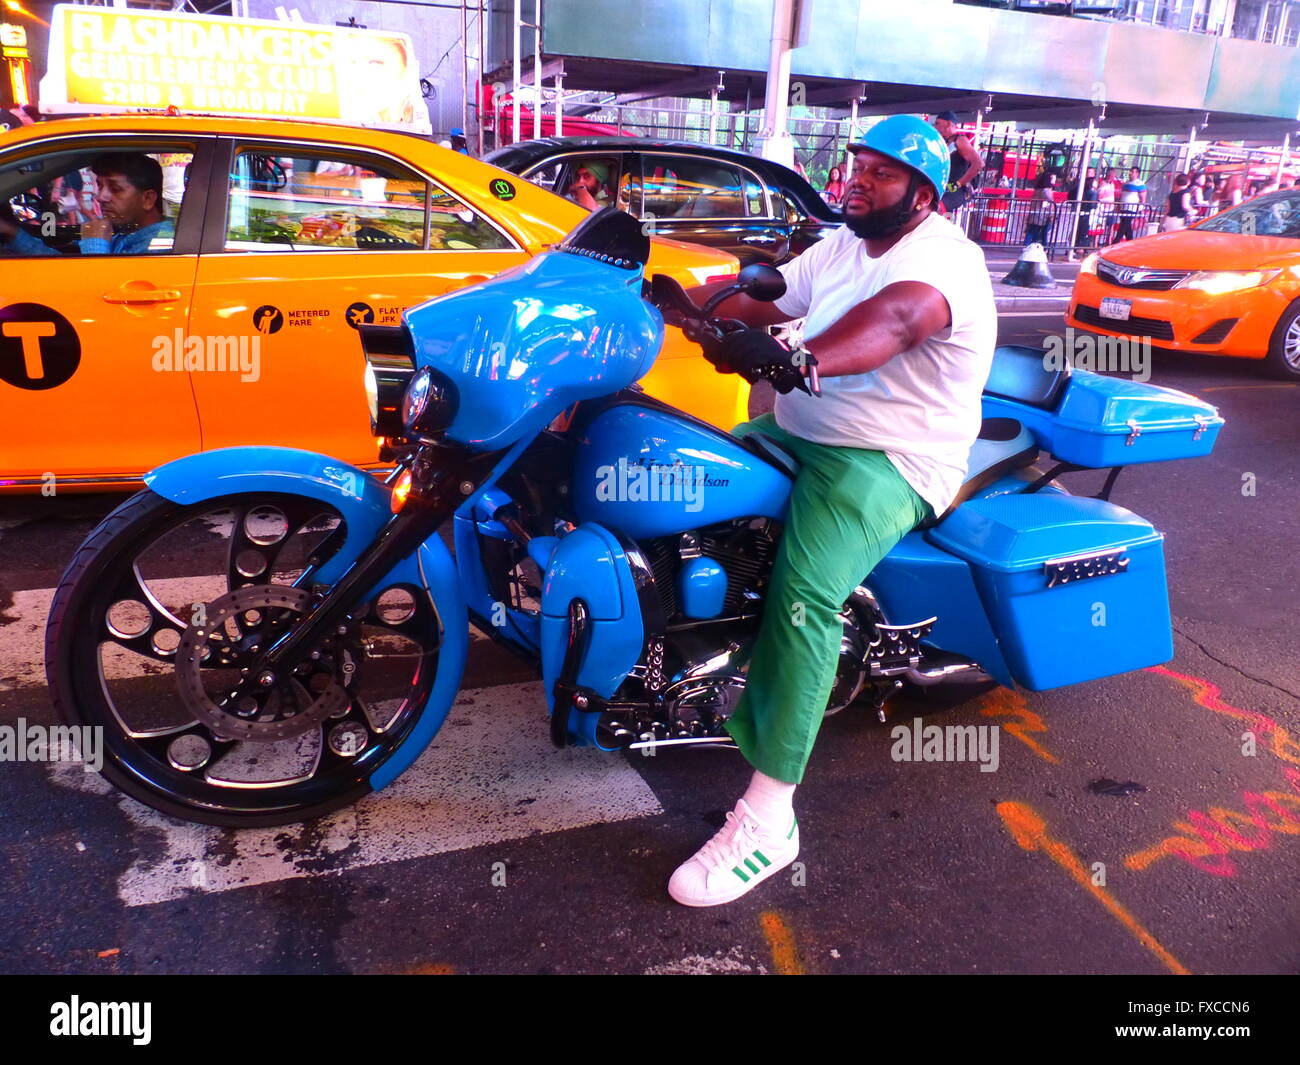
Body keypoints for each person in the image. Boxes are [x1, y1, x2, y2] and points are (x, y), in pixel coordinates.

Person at [662, 114, 996, 907]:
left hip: (890, 457)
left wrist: (800, 357)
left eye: (881, 174)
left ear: (923, 194)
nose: (859, 180)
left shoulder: (947, 261)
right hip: (799, 431)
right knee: (669, 476)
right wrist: (682, 307)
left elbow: (894, 322)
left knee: (805, 595)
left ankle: (771, 817)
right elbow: (763, 300)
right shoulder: (843, 244)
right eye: (858, 166)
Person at [0, 153, 174, 256]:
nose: (100, 197)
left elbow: (97, 294)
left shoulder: (161, 246)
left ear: (148, 199)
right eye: (99, 186)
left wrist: (96, 244)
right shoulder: (130, 235)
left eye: (115, 188)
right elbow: (66, 273)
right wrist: (13, 234)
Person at [932, 110, 983, 213]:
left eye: (937, 124)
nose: (935, 127)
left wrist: (958, 184)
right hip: (945, 191)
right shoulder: (946, 142)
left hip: (954, 193)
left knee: (932, 211)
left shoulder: (960, 140)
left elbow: (979, 164)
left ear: (948, 124)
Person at [1070, 166, 1098, 260]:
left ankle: (1079, 247)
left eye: (1090, 172)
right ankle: (1079, 248)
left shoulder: (1088, 187)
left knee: (1081, 229)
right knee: (1082, 230)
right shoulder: (1082, 186)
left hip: (1085, 211)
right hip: (1084, 211)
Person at [1024, 170, 1057, 248]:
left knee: (1032, 230)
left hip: (1035, 213)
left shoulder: (1037, 190)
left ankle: (1027, 245)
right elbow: (1050, 201)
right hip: (1042, 215)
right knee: (1040, 231)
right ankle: (1039, 247)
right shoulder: (1046, 191)